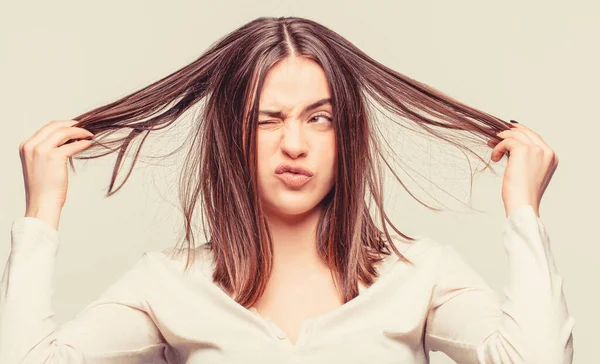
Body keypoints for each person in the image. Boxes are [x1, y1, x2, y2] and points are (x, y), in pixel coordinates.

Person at [0, 16, 574, 363]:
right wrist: (41, 214)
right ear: (232, 137)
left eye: (318, 118)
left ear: (345, 134)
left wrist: (523, 211)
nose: (293, 145)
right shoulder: (168, 284)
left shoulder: (419, 275)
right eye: (266, 120)